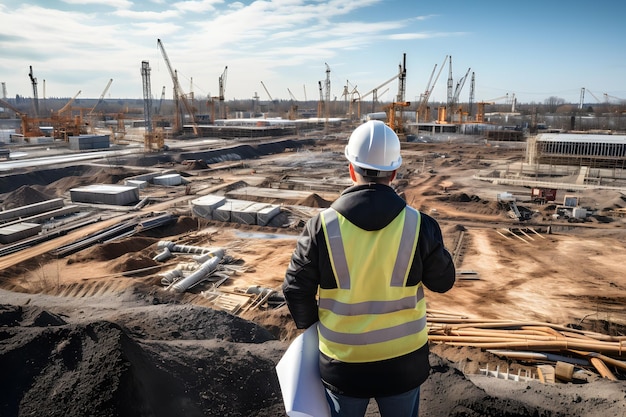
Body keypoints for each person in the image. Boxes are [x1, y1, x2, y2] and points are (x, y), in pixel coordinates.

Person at [282, 120, 456, 417]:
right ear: (394, 172)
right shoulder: (419, 225)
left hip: (344, 367)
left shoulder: (321, 227)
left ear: (352, 169)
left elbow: (295, 289)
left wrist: (317, 329)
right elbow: (443, 281)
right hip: (403, 365)